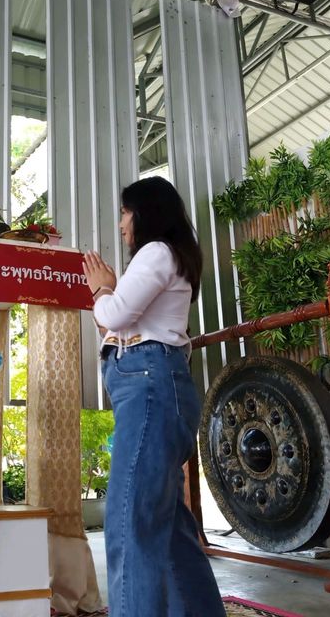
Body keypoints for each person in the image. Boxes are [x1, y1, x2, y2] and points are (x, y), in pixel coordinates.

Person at [82, 177, 225, 617]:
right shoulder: (167, 258)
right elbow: (112, 327)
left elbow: (113, 314)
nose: (122, 224)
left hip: (148, 385)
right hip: (155, 384)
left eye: (125, 213)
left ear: (144, 212)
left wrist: (102, 288)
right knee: (167, 526)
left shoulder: (156, 252)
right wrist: (108, 297)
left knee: (130, 524)